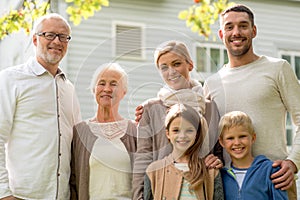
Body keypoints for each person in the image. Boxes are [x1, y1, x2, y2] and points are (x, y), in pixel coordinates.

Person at [203, 4, 300, 199]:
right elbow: (202, 133)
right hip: (228, 187)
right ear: (222, 34)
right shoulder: (212, 83)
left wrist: (293, 162)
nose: (236, 32)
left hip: (275, 182)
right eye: (229, 27)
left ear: (253, 31)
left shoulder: (278, 68)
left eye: (243, 26)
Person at [0, 13, 81, 199]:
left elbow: (77, 141)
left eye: (63, 37)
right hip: (21, 196)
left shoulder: (68, 88)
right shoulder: (10, 79)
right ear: (35, 39)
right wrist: (3, 193)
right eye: (50, 35)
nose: (57, 41)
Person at [133, 40, 223, 200]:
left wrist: (216, 161)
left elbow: (218, 151)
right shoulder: (150, 108)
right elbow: (143, 158)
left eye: (176, 64)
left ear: (190, 65)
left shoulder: (209, 108)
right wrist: (139, 197)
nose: (171, 72)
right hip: (162, 190)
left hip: (200, 189)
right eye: (164, 67)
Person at [70, 63, 137, 199]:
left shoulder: (134, 131)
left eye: (114, 84)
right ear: (94, 90)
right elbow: (72, 180)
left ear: (124, 92)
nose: (107, 89)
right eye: (102, 83)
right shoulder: (80, 132)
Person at [145, 103, 224, 200]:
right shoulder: (153, 171)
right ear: (168, 133)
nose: (182, 136)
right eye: (176, 130)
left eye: (189, 130)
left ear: (197, 133)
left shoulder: (211, 172)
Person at [219, 111, 288, 199]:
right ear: (222, 142)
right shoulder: (221, 176)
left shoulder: (270, 171)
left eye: (242, 136)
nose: (237, 143)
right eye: (230, 138)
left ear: (253, 138)